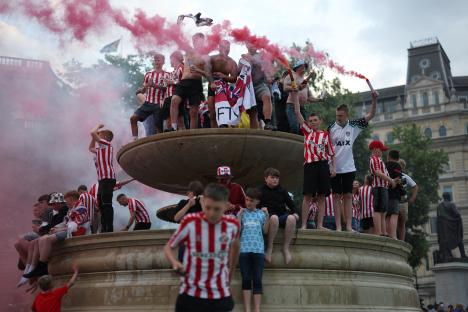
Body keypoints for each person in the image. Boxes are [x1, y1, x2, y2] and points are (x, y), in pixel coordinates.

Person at [164, 183, 240, 312]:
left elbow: (236, 246)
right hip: (190, 294)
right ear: (203, 201)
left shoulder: (232, 224)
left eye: (217, 209)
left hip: (220, 295)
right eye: (208, 207)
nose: (211, 213)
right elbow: (168, 247)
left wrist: (229, 277)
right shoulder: (190, 221)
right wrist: (175, 262)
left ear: (226, 206)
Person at [328, 87, 377, 231]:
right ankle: (338, 226)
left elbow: (371, 115)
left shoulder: (354, 125)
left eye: (341, 116)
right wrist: (330, 166)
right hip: (334, 168)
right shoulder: (331, 128)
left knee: (348, 196)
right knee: (336, 197)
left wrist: (374, 99)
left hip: (349, 167)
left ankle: (348, 226)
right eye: (337, 115)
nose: (338, 118)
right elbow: (326, 148)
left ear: (347, 115)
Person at [293, 96, 336, 230]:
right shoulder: (307, 131)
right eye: (310, 120)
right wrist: (295, 97)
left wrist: (333, 167)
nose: (312, 122)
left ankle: (320, 225)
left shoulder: (325, 134)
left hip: (323, 165)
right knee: (307, 196)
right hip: (310, 165)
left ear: (320, 121)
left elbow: (332, 153)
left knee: (322, 196)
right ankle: (304, 224)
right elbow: (298, 113)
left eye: (315, 120)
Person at [24, 191, 88, 279]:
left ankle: (42, 266)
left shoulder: (81, 209)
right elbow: (65, 222)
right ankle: (39, 266)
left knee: (46, 239)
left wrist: (58, 229)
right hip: (69, 231)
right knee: (43, 239)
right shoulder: (72, 209)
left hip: (75, 233)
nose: (66, 203)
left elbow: (75, 226)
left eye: (67, 201)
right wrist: (56, 228)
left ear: (72, 199)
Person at [169, 33, 213, 130]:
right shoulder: (189, 51)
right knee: (174, 100)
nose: (194, 42)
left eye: (196, 39)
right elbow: (179, 40)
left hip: (195, 84)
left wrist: (198, 71)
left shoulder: (206, 56)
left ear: (202, 40)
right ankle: (173, 127)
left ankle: (192, 133)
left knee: (193, 112)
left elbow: (208, 74)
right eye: (193, 40)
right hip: (184, 82)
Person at [237, 188, 269, 312]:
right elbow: (238, 231)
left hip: (258, 250)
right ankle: (247, 309)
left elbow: (265, 231)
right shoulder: (243, 213)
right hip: (244, 250)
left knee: (257, 279)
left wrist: (267, 215)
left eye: (251, 201)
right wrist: (239, 216)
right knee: (245, 279)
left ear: (257, 202)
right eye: (247, 199)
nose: (248, 202)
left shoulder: (261, 214)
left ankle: (256, 309)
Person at [258, 168, 299, 264]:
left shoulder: (282, 190)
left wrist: (296, 214)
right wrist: (262, 210)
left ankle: (286, 248)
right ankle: (270, 247)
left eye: (277, 178)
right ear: (266, 179)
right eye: (272, 177)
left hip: (281, 216)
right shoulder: (260, 190)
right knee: (274, 218)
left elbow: (292, 205)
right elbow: (256, 205)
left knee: (291, 218)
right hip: (267, 217)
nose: (275, 180)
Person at [130, 53, 167, 139]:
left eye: (159, 60)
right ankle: (135, 140)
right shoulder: (148, 74)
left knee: (158, 126)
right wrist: (143, 89)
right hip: (148, 103)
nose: (157, 62)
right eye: (155, 60)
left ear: (163, 62)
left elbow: (166, 88)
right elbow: (143, 90)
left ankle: (160, 142)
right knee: (133, 118)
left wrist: (154, 85)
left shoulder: (167, 75)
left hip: (159, 103)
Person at [239, 43, 274, 130]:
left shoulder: (262, 56)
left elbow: (267, 66)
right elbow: (238, 73)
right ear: (247, 46)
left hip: (260, 84)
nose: (253, 46)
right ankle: (254, 134)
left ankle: (268, 122)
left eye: (254, 44)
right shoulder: (243, 58)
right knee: (252, 111)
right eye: (250, 44)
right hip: (248, 87)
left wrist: (253, 60)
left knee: (267, 96)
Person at [89, 124, 116, 233]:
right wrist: (93, 137)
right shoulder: (100, 149)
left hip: (108, 177)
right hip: (102, 179)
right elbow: (90, 148)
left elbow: (92, 132)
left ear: (105, 137)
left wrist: (98, 126)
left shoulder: (107, 145)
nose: (98, 135)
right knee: (101, 204)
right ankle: (104, 226)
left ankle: (109, 228)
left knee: (106, 203)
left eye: (100, 134)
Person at [207, 40, 238, 128]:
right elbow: (207, 72)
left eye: (228, 47)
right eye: (224, 47)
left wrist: (224, 76)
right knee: (212, 113)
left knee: (225, 110)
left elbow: (234, 79)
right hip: (212, 86)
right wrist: (212, 82)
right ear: (219, 48)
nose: (226, 49)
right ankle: (215, 135)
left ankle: (227, 131)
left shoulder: (231, 62)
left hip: (224, 88)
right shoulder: (212, 58)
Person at [369, 140, 397, 236]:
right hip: (379, 187)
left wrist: (390, 181)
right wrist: (391, 180)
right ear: (375, 149)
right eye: (381, 150)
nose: (382, 152)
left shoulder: (379, 159)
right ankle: (379, 231)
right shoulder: (375, 159)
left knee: (383, 211)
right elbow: (377, 172)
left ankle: (383, 231)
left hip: (383, 187)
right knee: (378, 209)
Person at [283, 60, 317, 134]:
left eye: (304, 66)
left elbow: (309, 98)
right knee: (295, 126)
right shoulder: (291, 76)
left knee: (305, 130)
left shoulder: (304, 81)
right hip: (292, 106)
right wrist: (292, 88)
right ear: (297, 67)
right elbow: (285, 87)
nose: (304, 68)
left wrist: (320, 99)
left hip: (302, 108)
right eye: (302, 66)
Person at [437, 192, 467, 262]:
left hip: (443, 228)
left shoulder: (439, 206)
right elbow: (457, 214)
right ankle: (463, 254)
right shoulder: (451, 204)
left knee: (445, 241)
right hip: (452, 226)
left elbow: (439, 217)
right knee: (459, 239)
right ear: (449, 197)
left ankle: (448, 255)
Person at [162, 51, 185, 131]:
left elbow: (184, 82)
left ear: (175, 58)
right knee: (168, 122)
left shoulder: (182, 67)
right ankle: (171, 141)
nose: (170, 62)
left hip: (176, 96)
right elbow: (166, 86)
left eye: (170, 59)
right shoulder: (171, 72)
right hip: (168, 97)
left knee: (180, 121)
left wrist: (171, 82)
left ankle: (185, 140)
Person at [397, 159, 418, 241]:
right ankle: (395, 239)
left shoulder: (405, 176)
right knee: (394, 220)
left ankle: (401, 240)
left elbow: (415, 186)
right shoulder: (390, 174)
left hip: (403, 200)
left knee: (402, 222)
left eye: (400, 166)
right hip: (394, 199)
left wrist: (412, 198)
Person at [385, 150, 403, 239]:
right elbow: (399, 178)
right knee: (394, 214)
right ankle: (393, 236)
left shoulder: (384, 165)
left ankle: (387, 234)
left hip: (384, 192)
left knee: (387, 215)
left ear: (389, 156)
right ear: (398, 158)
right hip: (394, 193)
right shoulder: (397, 165)